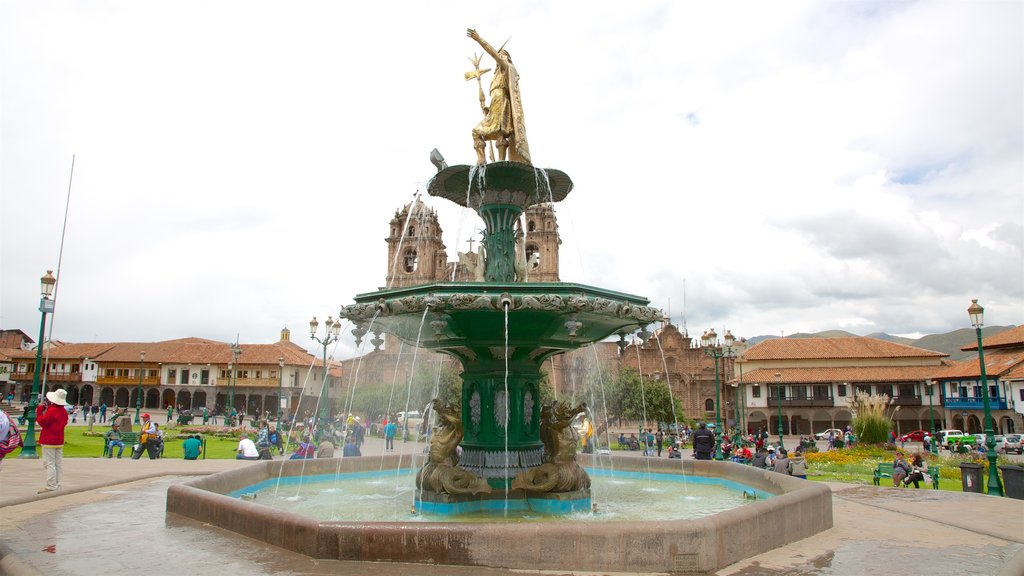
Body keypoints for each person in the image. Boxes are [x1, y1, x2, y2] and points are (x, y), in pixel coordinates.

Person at [466, 28, 532, 166]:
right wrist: (487, 108)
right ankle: (482, 161)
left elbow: (494, 54)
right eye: (500, 56)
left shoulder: (507, 68)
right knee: (476, 132)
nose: (500, 57)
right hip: (494, 106)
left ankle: (501, 163)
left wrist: (479, 39)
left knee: (501, 134)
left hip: (503, 104)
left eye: (503, 55)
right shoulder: (495, 77)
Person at [37, 388, 70, 493]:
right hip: (59, 440)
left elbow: (43, 422)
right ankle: (58, 484)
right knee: (58, 463)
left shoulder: (52, 410)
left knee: (49, 463)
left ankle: (51, 485)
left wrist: (39, 413)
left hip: (49, 440)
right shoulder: (64, 411)